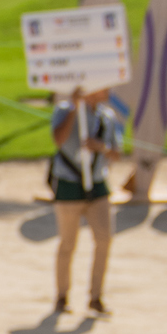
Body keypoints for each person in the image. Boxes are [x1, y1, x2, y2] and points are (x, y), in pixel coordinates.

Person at [49, 86, 119, 316]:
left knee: (104, 239)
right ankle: (62, 296)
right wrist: (74, 110)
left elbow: (117, 153)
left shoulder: (107, 116)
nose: (109, 89)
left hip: (97, 183)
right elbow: (58, 140)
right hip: (69, 184)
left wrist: (102, 147)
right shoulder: (64, 109)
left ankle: (96, 296)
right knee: (68, 243)